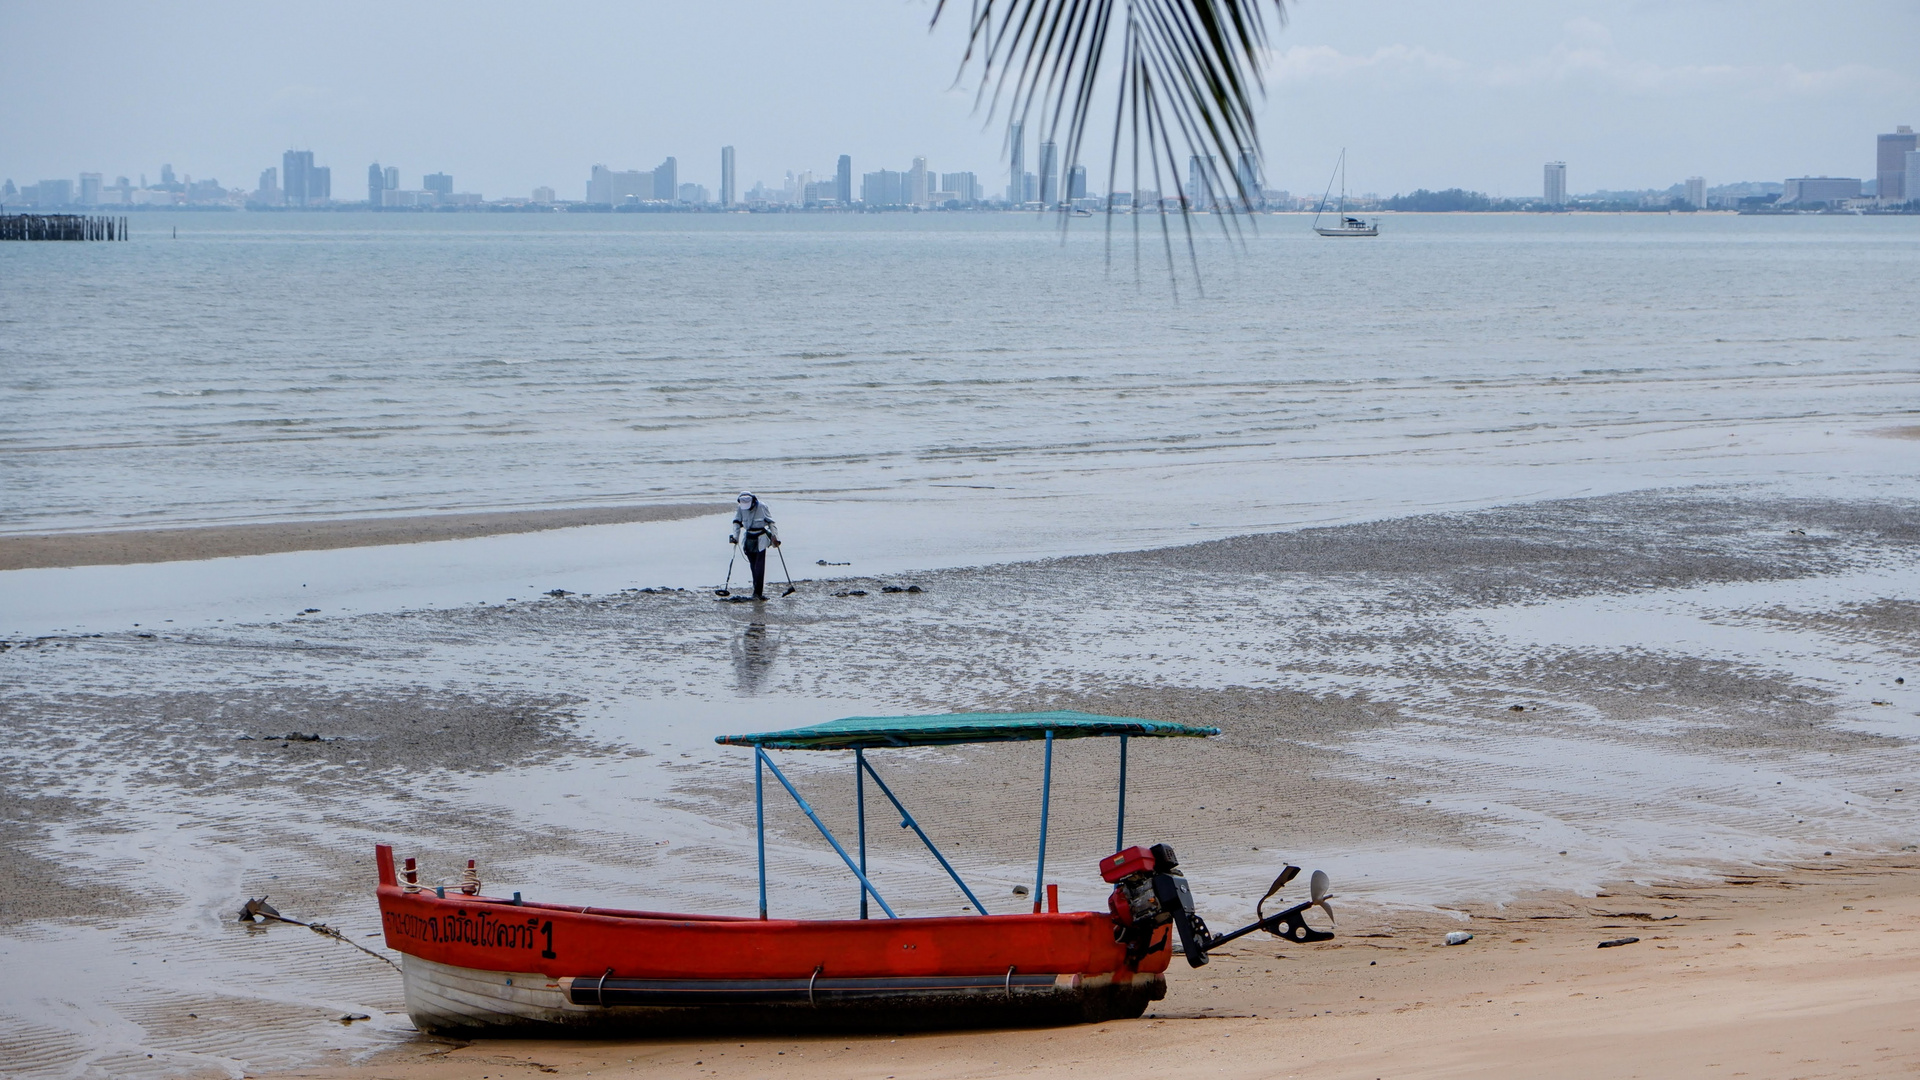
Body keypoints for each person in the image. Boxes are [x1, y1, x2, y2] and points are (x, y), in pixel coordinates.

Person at [729, 492, 780, 600]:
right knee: (753, 566)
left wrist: (775, 537)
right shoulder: (740, 508)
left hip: (761, 538)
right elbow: (736, 522)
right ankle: (756, 590)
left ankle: (758, 593)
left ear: (753, 501)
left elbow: (771, 523)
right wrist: (735, 537)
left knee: (759, 566)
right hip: (748, 539)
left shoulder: (762, 507)